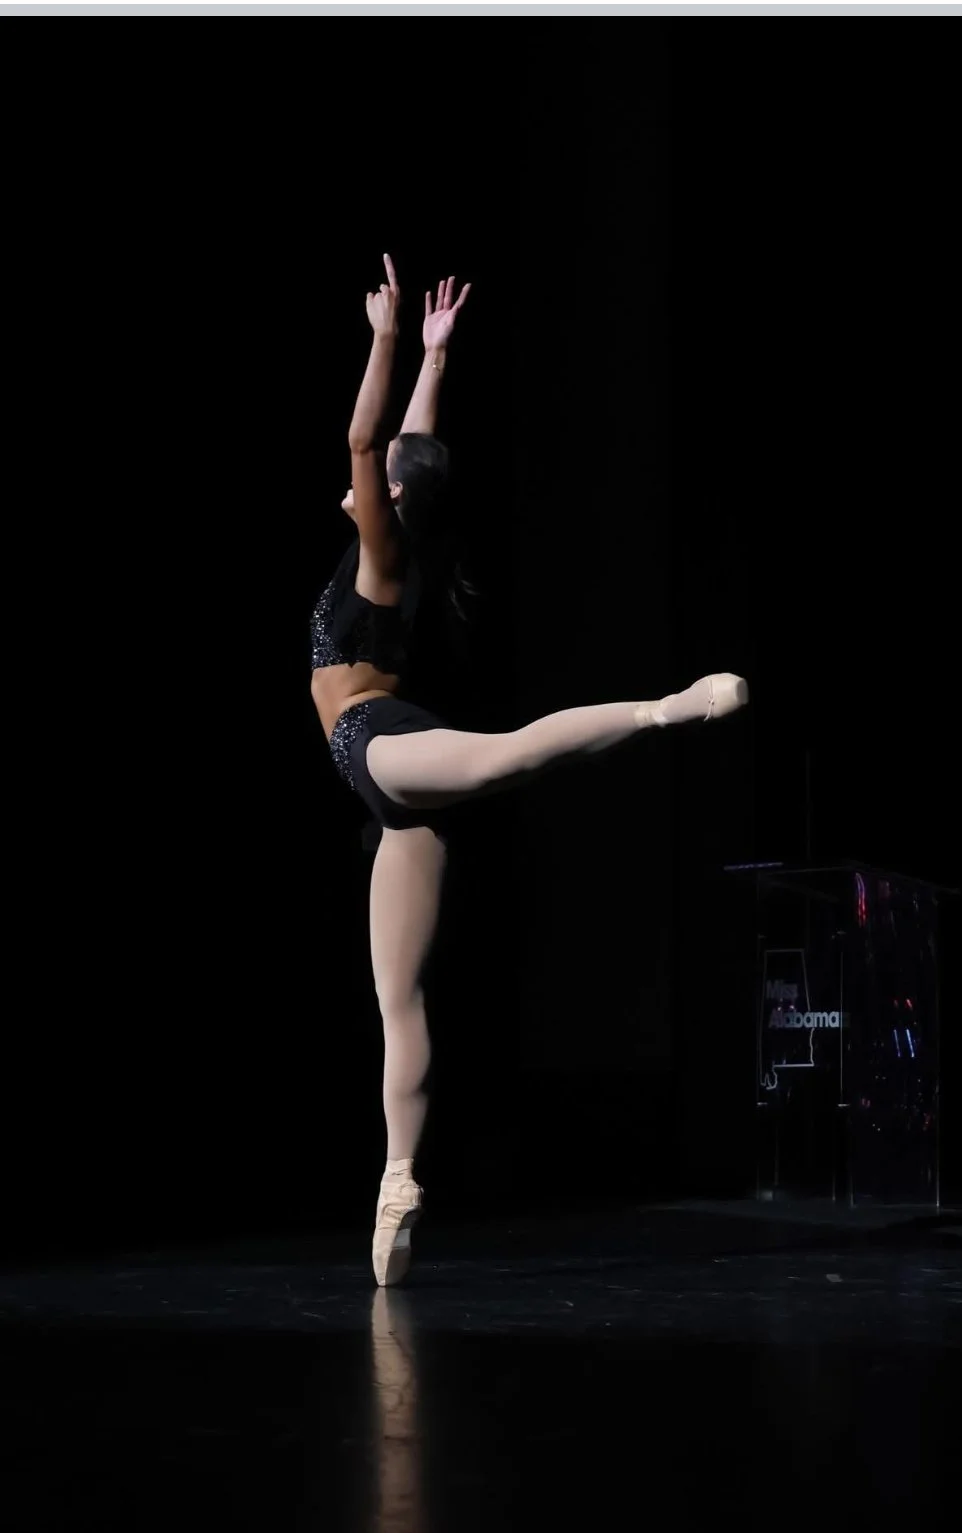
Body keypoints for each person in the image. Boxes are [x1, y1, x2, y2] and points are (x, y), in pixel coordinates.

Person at [311, 254, 749, 1286]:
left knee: (505, 759)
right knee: (398, 995)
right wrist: (432, 355)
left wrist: (381, 340)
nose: (358, 487)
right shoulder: (398, 535)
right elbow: (407, 451)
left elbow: (367, 443)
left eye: (377, 487)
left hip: (378, 746)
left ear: (392, 500)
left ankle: (661, 708)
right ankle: (398, 1180)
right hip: (384, 774)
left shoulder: (382, 549)